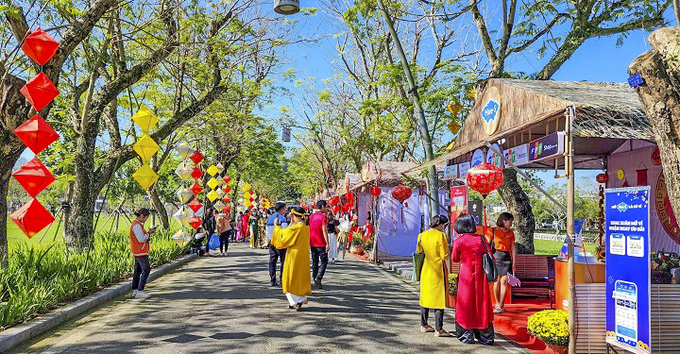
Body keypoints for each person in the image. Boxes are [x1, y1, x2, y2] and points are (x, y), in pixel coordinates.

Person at [452, 213, 494, 345]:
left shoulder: (459, 241)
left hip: (466, 275)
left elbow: (455, 258)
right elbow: (490, 255)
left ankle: (466, 335)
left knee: (465, 304)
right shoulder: (482, 239)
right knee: (482, 303)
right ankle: (485, 336)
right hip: (481, 276)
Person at [417, 215, 451, 337]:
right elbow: (444, 255)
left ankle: (424, 325)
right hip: (438, 269)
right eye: (443, 225)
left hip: (426, 268)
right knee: (438, 299)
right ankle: (439, 329)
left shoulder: (422, 235)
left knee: (425, 297)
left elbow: (419, 250)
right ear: (440, 224)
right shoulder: (441, 235)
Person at [278, 207, 312, 310]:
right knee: (299, 277)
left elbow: (283, 237)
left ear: (295, 216)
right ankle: (301, 297)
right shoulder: (306, 227)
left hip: (293, 255)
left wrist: (276, 227)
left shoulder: (295, 228)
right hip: (303, 255)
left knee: (289, 279)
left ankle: (296, 301)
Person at [490, 212, 516, 314]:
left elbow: (513, 247)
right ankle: (497, 302)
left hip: (506, 256)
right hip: (496, 255)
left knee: (504, 281)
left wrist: (514, 261)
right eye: (510, 221)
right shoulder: (493, 231)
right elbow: (487, 244)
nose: (511, 224)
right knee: (497, 281)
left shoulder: (511, 233)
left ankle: (501, 304)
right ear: (504, 221)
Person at [130, 208, 157, 299]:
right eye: (146, 218)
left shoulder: (137, 224)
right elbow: (141, 239)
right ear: (142, 216)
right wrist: (149, 233)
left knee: (137, 271)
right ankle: (140, 290)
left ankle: (135, 289)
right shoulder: (137, 225)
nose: (146, 220)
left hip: (138, 251)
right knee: (146, 270)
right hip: (140, 251)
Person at [309, 200, 329, 289]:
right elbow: (324, 229)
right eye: (326, 206)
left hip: (312, 242)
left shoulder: (312, 216)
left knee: (315, 261)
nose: (326, 208)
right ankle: (319, 277)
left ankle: (314, 277)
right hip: (321, 242)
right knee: (324, 260)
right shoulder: (323, 216)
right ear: (322, 207)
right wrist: (327, 242)